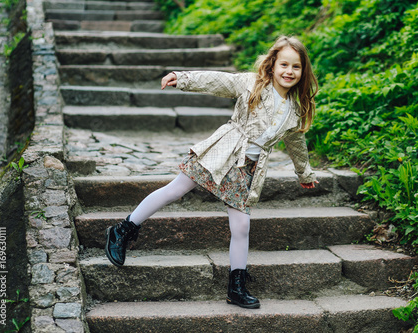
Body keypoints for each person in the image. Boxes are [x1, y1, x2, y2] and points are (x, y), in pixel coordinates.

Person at [105, 36, 319, 309]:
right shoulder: (252, 83)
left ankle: (236, 287)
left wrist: (305, 174)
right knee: (175, 190)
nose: (289, 72)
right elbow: (219, 81)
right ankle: (122, 231)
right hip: (223, 150)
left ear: (303, 71)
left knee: (241, 225)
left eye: (296, 67)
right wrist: (182, 79)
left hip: (246, 169)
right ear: (272, 65)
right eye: (284, 64)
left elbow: (296, 143)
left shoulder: (296, 108)